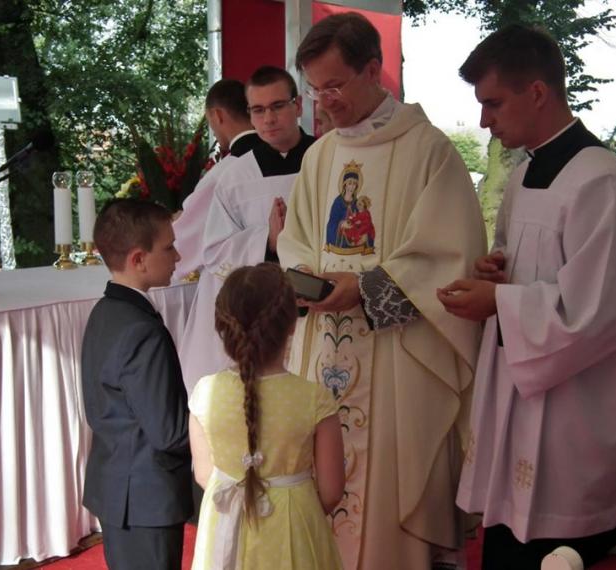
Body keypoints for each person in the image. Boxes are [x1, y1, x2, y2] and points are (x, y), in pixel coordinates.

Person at [436, 24, 616, 569]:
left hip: (575, 417)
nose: (484, 121)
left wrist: (498, 303)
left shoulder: (602, 182)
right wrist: (496, 269)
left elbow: (595, 313)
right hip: (519, 400)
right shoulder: (524, 176)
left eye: (493, 103)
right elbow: (520, 263)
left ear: (537, 92)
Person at [277, 12, 487, 570]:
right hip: (326, 346)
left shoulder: (429, 151)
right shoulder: (320, 155)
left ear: (374, 70)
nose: (324, 103)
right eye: (315, 90)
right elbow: (296, 240)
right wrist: (307, 278)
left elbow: (448, 257)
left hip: (399, 354)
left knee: (393, 485)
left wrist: (366, 288)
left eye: (335, 86)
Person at [188, 263, 345, 570]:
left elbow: (204, 475)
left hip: (226, 525)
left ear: (222, 327)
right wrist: (294, 507)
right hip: (293, 528)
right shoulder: (314, 398)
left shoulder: (204, 392)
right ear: (291, 325)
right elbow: (331, 491)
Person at [179, 65, 316, 393]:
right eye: (258, 110)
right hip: (266, 317)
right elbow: (215, 252)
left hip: (320, 307)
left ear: (297, 105)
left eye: (278, 106)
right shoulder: (235, 176)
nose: (268, 119)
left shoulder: (325, 159)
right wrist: (267, 240)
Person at [81, 199, 193, 570]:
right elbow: (169, 433)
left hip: (118, 485)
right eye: (169, 247)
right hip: (146, 497)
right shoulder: (142, 330)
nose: (178, 256)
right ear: (139, 259)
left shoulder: (104, 312)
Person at [172, 79, 262, 282]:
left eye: (209, 121)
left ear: (217, 115)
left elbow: (184, 242)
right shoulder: (291, 162)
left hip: (236, 283)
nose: (212, 130)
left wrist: (174, 222)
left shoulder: (224, 174)